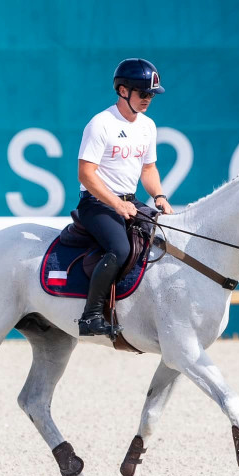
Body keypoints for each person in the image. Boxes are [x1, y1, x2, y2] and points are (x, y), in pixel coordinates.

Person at [75, 58, 174, 337]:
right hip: (97, 203)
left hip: (130, 201)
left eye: (151, 95)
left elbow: (149, 169)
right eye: (143, 93)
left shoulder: (148, 126)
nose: (148, 99)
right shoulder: (101, 124)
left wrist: (159, 196)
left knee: (168, 236)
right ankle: (91, 315)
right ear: (122, 91)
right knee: (119, 249)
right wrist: (116, 203)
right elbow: (86, 173)